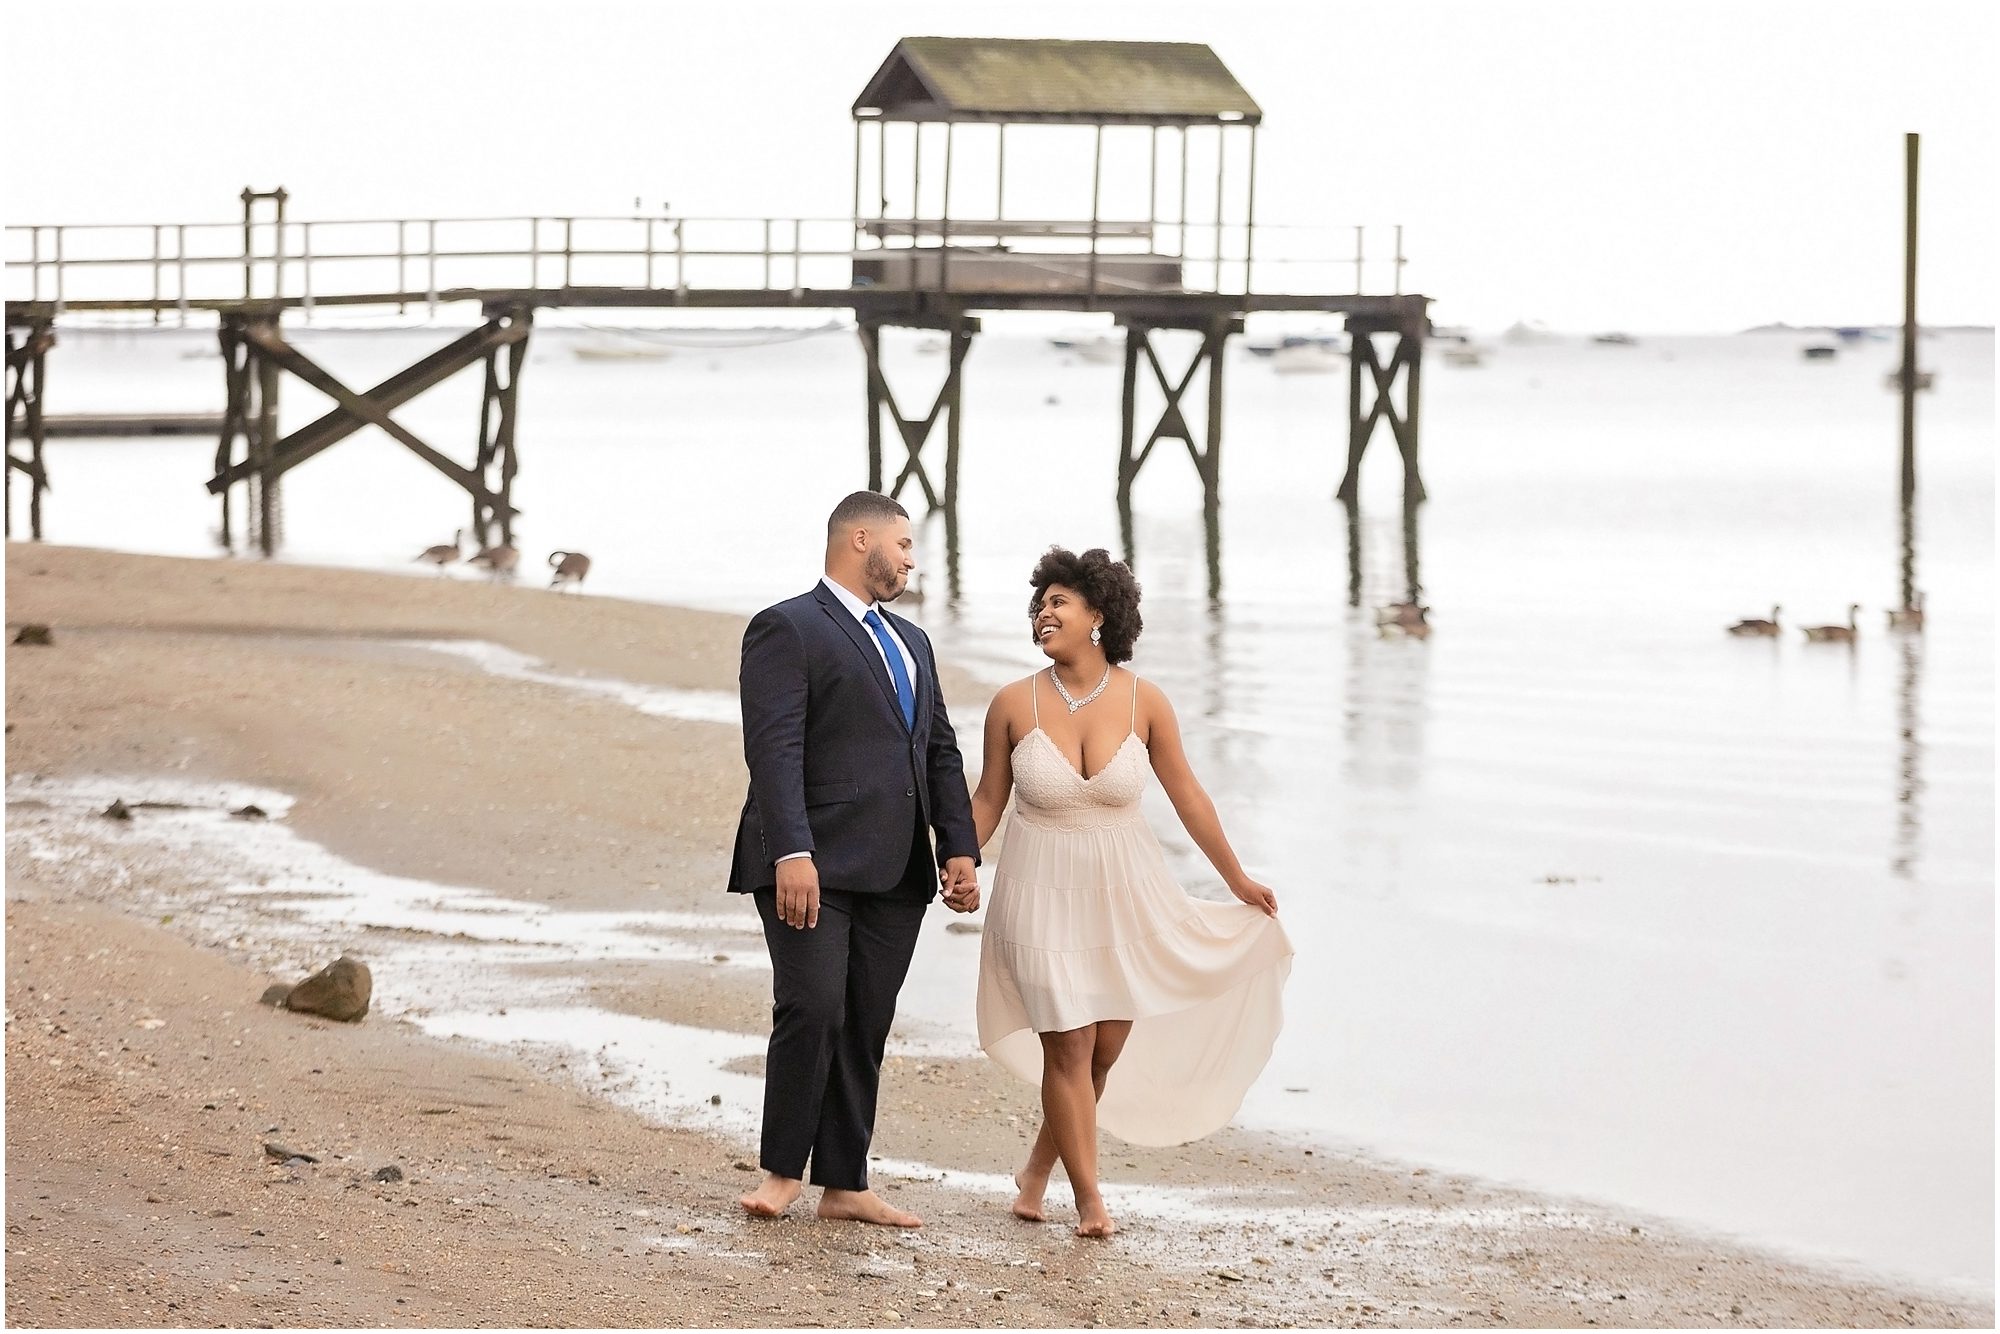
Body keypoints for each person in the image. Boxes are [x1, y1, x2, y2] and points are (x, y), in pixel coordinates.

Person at [969, 546, 1294, 1237]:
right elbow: (988, 799)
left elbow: (1189, 796)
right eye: (1039, 603)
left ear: (1098, 615)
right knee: (1069, 1045)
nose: (1043, 613)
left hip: (1124, 894)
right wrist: (959, 859)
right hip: (1039, 892)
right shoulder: (1012, 704)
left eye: (1059, 602)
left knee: (1103, 1051)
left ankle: (1036, 1172)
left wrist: (1237, 878)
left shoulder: (1146, 701)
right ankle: (1091, 1199)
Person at [729, 491, 981, 1228]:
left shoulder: (913, 642)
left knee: (866, 1019)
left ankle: (844, 1184)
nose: (910, 560)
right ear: (860, 539)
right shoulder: (788, 626)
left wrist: (958, 845)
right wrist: (792, 850)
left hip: (897, 868)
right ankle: (782, 1172)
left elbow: (938, 749)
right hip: (810, 861)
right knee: (812, 1006)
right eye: (903, 545)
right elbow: (774, 748)